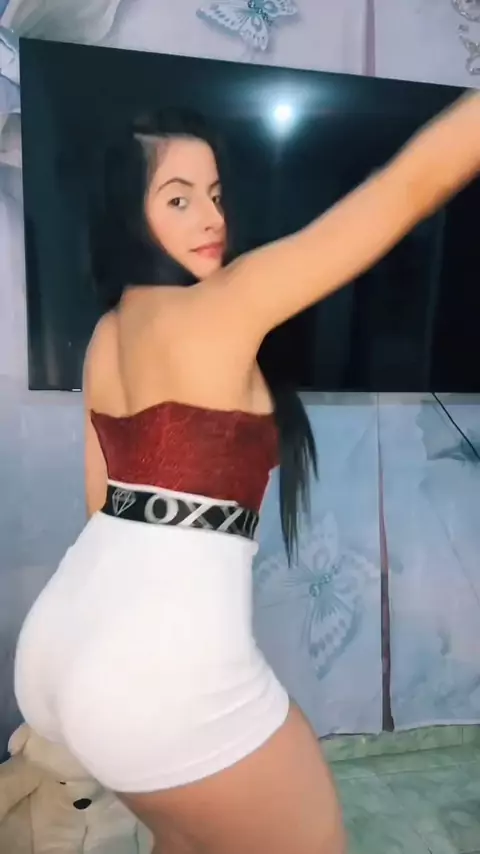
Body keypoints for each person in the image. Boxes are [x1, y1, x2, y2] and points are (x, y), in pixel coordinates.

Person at [14, 91, 480, 854]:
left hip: (65, 647)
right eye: (178, 198)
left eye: (216, 194)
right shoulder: (229, 304)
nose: (211, 219)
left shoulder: (107, 332)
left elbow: (102, 508)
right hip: (153, 681)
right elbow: (408, 187)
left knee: (188, 838)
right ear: (128, 211)